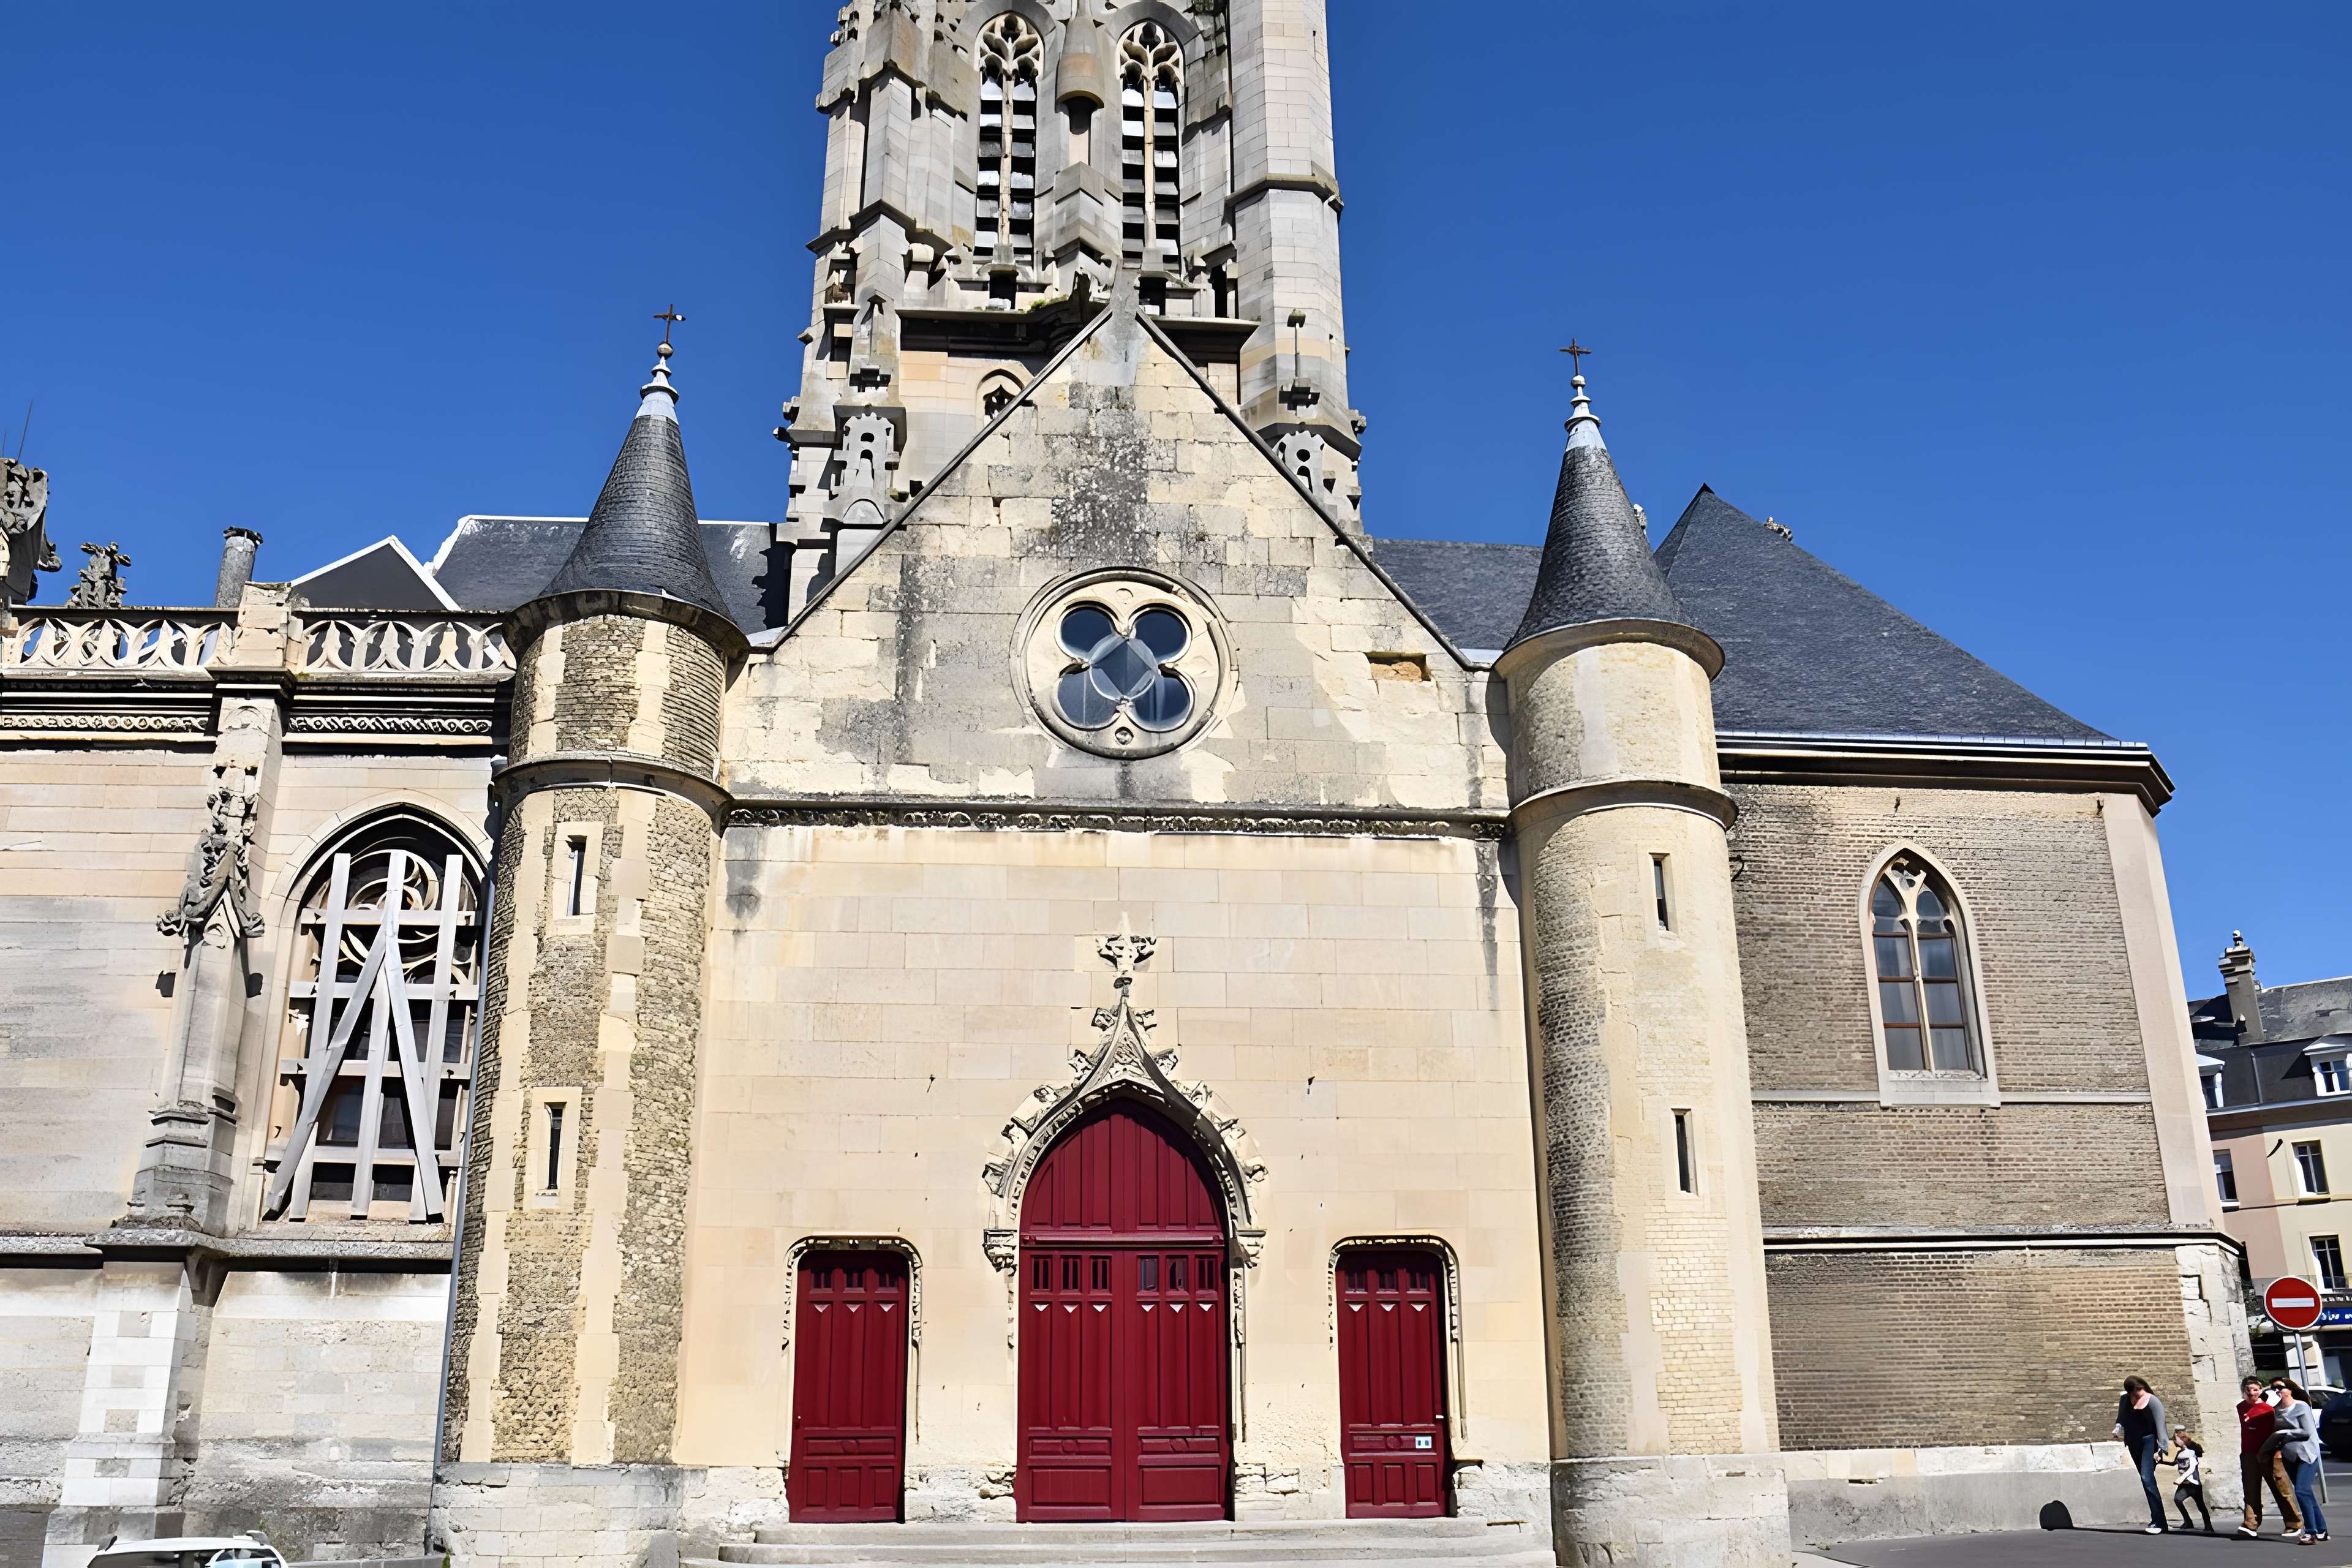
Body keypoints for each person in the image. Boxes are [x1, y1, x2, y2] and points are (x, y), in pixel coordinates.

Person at [2239, 1374, 2304, 1538]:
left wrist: (2275, 1451)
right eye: (2248, 1390)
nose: (2252, 1393)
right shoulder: (2241, 1407)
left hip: (2270, 1453)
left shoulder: (2268, 1410)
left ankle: (2294, 1522)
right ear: (2244, 1391)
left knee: (2280, 1488)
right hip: (2249, 1453)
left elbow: (2276, 1432)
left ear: (2261, 1391)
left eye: (2255, 1390)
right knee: (2250, 1489)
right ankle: (2250, 1524)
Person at [2275, 1378, 2330, 1544]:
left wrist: (2285, 1434)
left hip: (2307, 1454)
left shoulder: (2301, 1407)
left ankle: (2310, 1532)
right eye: (2275, 1389)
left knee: (2301, 1491)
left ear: (2290, 1390)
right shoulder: (2276, 1410)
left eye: (2281, 1388)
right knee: (2307, 1493)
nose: (2278, 1391)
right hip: (2289, 1456)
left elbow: (2306, 1431)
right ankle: (2322, 1530)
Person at [2112, 1376, 2169, 1534]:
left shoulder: (2152, 1401)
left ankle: (2160, 1523)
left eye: (2138, 1391)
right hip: (2133, 1443)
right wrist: (2118, 1428)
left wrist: (2162, 1448)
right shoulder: (2125, 1399)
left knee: (2147, 1479)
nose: (2137, 1395)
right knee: (2146, 1482)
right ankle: (2157, 1520)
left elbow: (2161, 1425)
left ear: (2141, 1387)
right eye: (2133, 1393)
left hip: (2148, 1442)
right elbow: (2121, 1418)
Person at [2169, 1425, 2212, 1534]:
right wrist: (2159, 1460)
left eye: (2176, 1439)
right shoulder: (2180, 1453)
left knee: (2201, 1506)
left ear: (2183, 1441)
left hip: (2193, 1484)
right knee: (2178, 1500)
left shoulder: (2191, 1453)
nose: (2175, 1441)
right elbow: (2174, 1463)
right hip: (2184, 1485)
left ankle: (2208, 1526)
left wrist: (2181, 1478)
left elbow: (2192, 1468)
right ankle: (2188, 1521)